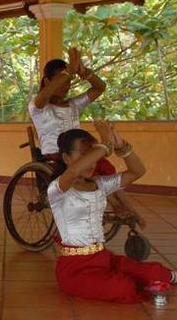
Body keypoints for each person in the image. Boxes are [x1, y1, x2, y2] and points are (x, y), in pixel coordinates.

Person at [49, 120, 177, 303]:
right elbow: (74, 171)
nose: (93, 161)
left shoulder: (99, 185)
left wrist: (120, 146)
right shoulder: (58, 188)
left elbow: (137, 171)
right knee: (121, 288)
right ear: (66, 157)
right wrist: (105, 142)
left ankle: (173, 277)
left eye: (94, 155)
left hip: (102, 258)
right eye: (85, 154)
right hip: (74, 269)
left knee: (150, 271)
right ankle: (145, 283)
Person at [28, 48, 144, 228]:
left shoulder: (73, 105)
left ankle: (126, 208)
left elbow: (100, 87)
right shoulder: (39, 107)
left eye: (68, 82)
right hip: (57, 155)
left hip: (81, 152)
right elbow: (44, 95)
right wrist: (69, 72)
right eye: (61, 80)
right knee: (95, 164)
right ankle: (120, 207)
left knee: (106, 167)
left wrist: (84, 73)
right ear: (47, 81)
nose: (66, 86)